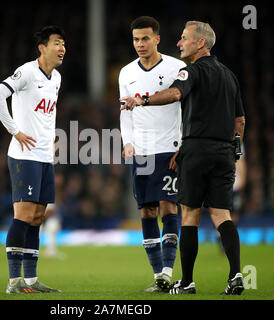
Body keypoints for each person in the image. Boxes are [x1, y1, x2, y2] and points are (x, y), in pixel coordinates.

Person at [120, 21, 246, 295]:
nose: (180, 43)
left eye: (184, 38)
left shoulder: (190, 71)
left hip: (196, 150)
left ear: (200, 43)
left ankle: (186, 280)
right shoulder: (229, 75)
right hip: (225, 152)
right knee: (222, 214)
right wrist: (236, 150)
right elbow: (240, 120)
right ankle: (236, 274)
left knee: (188, 214)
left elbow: (175, 93)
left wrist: (142, 100)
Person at [0, 25, 65, 294]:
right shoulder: (26, 72)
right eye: (57, 43)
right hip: (24, 156)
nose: (62, 48)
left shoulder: (56, 78)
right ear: (42, 47)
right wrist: (14, 130)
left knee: (38, 217)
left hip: (44, 157)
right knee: (23, 215)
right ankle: (13, 282)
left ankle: (31, 281)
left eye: (64, 44)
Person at [119, 16, 186, 293]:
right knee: (146, 210)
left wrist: (183, 145)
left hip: (169, 147)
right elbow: (123, 111)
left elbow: (186, 106)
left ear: (157, 38)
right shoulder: (126, 73)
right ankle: (158, 275)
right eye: (136, 39)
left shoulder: (176, 67)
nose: (140, 44)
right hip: (142, 151)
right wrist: (127, 142)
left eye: (145, 38)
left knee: (169, 206)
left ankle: (169, 271)